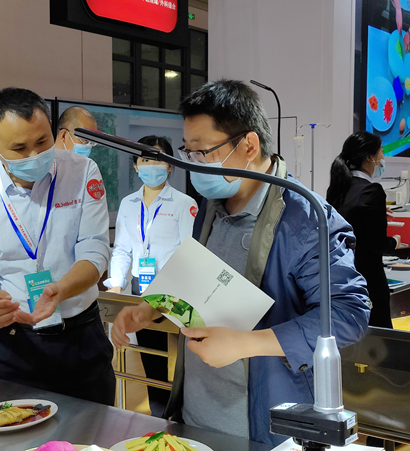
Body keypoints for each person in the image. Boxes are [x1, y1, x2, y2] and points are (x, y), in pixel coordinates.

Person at [111, 80, 371, 446]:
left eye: (203, 152)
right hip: (196, 416)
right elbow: (201, 276)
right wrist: (151, 308)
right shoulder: (212, 205)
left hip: (263, 426)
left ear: (249, 145)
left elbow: (349, 313)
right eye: (188, 151)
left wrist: (246, 344)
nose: (194, 164)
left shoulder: (306, 218)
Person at [0, 87, 115, 405]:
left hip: (80, 339)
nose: (34, 155)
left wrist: (60, 290)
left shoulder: (82, 172)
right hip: (13, 345)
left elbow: (95, 249)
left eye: (42, 142)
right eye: (19, 148)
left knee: (93, 431)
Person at [104, 135, 197, 417]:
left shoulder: (184, 204)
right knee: (151, 361)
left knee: (181, 362)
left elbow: (189, 253)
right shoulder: (128, 203)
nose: (151, 165)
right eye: (145, 159)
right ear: (135, 165)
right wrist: (116, 285)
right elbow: (122, 248)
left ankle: (185, 418)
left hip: (175, 293)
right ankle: (160, 418)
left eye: (157, 159)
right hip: (140, 290)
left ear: (169, 165)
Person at [326, 131, 399, 329]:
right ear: (369, 157)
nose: (383, 158)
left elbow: (352, 218)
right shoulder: (372, 191)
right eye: (381, 151)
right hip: (368, 282)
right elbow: (377, 244)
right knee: (378, 337)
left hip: (341, 279)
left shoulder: (337, 190)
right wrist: (395, 242)